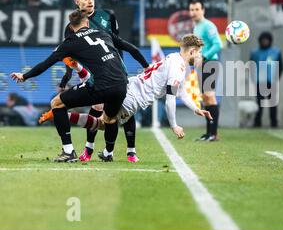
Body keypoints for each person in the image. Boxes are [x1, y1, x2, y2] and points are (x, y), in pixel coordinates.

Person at [41, 34, 213, 160]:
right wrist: (174, 125)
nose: (199, 56)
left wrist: (196, 109)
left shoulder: (174, 58)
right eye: (199, 52)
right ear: (192, 50)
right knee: (102, 123)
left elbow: (181, 91)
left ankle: (61, 113)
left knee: (101, 113)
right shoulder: (179, 68)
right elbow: (169, 99)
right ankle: (61, 114)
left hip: (130, 86)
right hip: (133, 98)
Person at [10, 9, 129, 163]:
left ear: (71, 27)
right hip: (121, 85)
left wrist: (25, 76)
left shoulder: (71, 42)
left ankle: (68, 152)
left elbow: (46, 64)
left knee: (57, 103)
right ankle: (108, 154)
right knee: (110, 119)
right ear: (87, 22)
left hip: (101, 85)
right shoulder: (103, 33)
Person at [59, 0, 150, 162]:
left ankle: (130, 151)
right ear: (77, 2)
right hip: (94, 72)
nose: (90, 0)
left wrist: (121, 67)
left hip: (115, 69)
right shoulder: (72, 27)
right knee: (98, 107)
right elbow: (69, 55)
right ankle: (90, 149)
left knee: (125, 107)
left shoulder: (107, 16)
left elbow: (118, 43)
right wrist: (67, 74)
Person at [189, 1, 223, 142]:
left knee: (210, 96)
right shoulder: (196, 27)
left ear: (203, 10)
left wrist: (204, 56)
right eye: (192, 9)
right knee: (205, 97)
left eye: (197, 9)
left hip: (210, 63)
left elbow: (218, 44)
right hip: (203, 64)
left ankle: (213, 133)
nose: (194, 12)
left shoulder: (208, 25)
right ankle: (209, 133)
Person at [250, 32, 283, 128]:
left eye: (266, 40)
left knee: (272, 104)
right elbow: (251, 66)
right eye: (263, 40)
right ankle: (257, 123)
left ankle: (274, 123)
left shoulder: (276, 52)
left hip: (272, 82)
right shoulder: (255, 53)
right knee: (259, 103)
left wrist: (276, 78)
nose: (265, 42)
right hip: (259, 82)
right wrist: (253, 78)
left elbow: (281, 66)